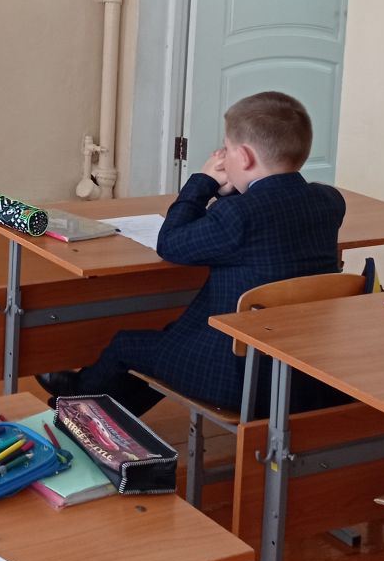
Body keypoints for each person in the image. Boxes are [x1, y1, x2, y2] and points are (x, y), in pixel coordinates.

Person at [38, 91, 346, 416]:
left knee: (126, 345)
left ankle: (72, 406)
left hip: (236, 376)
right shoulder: (328, 201)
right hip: (298, 372)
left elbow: (171, 244)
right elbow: (258, 227)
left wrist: (203, 181)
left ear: (244, 157)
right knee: (164, 347)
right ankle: (105, 413)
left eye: (226, 149)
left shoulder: (238, 216)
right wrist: (230, 192)